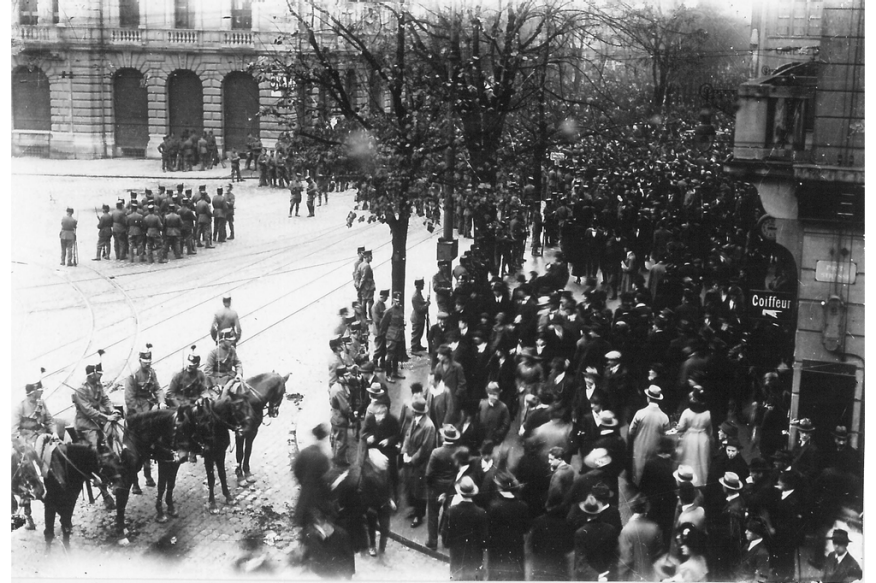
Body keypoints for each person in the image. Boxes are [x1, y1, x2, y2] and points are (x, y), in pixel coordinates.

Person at [70, 359, 119, 510]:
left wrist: (112, 410)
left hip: (100, 420)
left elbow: (105, 399)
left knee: (116, 436)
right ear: (91, 375)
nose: (100, 378)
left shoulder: (98, 385)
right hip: (86, 424)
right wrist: (106, 417)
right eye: (98, 375)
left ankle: (117, 470)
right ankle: (101, 481)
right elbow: (87, 410)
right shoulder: (81, 390)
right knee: (95, 450)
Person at [125, 344, 164, 493]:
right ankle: (134, 481)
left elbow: (158, 388)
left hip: (150, 405)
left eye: (149, 361)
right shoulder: (133, 376)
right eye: (145, 361)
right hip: (137, 412)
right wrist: (146, 414)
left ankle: (150, 471)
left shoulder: (152, 373)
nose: (147, 363)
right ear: (140, 360)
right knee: (136, 444)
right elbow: (130, 400)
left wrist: (161, 402)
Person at [485, 470, 530, 580]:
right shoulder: (523, 506)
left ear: (499, 487)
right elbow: (525, 529)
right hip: (516, 547)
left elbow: (489, 530)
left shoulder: (494, 506)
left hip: (497, 548)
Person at [443, 476, 489, 581]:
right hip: (475, 557)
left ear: (460, 492)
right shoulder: (481, 513)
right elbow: (485, 540)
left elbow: (445, 537)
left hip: (457, 556)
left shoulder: (451, 511)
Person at [401, 395, 436, 528]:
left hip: (421, 464)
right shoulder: (415, 420)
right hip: (410, 459)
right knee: (411, 486)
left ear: (417, 412)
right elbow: (408, 435)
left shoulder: (428, 426)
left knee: (420, 490)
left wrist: (412, 459)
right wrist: (404, 451)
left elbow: (425, 449)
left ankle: (419, 515)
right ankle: (415, 510)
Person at [425, 424, 460, 549]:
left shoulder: (436, 452)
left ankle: (432, 542)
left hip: (436, 487)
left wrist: (430, 486)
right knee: (447, 513)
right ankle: (446, 540)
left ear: (443, 438)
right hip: (451, 487)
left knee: (433, 514)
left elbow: (429, 474)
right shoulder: (458, 452)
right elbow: (458, 471)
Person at [628, 385, 670, 486]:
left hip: (639, 447)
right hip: (655, 448)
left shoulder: (640, 413)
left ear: (648, 398)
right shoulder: (664, 417)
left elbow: (631, 431)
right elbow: (666, 436)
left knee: (638, 468)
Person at [293, 424, 332, 529]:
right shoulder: (323, 457)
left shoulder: (305, 452)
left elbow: (296, 469)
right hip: (317, 492)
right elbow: (326, 477)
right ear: (324, 438)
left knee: (303, 512)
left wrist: (303, 481)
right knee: (317, 515)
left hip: (305, 488)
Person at [617, 495, 662, 582]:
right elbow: (658, 554)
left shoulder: (626, 530)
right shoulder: (654, 527)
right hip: (652, 576)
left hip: (634, 578)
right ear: (646, 508)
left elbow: (625, 559)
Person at [674, 386, 712, 487]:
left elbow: (680, 427)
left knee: (688, 459)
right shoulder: (708, 413)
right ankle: (701, 481)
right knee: (702, 460)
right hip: (703, 438)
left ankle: (685, 479)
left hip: (689, 438)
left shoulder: (687, 412)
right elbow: (710, 429)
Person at [328, 366, 354, 467]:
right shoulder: (339, 390)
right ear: (340, 377)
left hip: (334, 415)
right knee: (341, 441)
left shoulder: (336, 385)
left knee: (335, 437)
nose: (349, 377)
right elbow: (345, 407)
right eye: (346, 375)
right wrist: (352, 416)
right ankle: (339, 461)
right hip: (340, 418)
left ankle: (336, 454)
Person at [204, 328, 243, 394]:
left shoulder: (232, 350)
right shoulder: (213, 353)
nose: (232, 342)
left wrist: (239, 374)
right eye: (229, 340)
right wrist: (214, 385)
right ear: (223, 340)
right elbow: (207, 372)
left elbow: (238, 363)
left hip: (231, 377)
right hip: (219, 381)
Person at [735, 518, 771, 583]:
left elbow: (761, 578)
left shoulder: (762, 552)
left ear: (757, 533)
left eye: (749, 530)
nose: (745, 532)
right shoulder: (747, 545)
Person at [380, 292, 406, 381]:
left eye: (399, 301)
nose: (398, 303)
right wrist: (384, 334)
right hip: (391, 336)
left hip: (399, 335)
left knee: (396, 355)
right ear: (393, 300)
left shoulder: (400, 309)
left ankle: (395, 372)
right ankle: (388, 375)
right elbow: (383, 323)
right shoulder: (389, 311)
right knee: (390, 355)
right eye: (396, 301)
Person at [410, 277, 430, 353]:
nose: (423, 286)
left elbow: (421, 303)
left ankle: (418, 345)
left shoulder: (418, 293)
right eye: (422, 284)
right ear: (418, 286)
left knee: (420, 332)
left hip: (420, 317)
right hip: (417, 318)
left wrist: (426, 301)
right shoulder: (415, 296)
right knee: (416, 333)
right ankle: (414, 348)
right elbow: (419, 309)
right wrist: (427, 305)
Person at [371, 289, 389, 370]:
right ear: (383, 296)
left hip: (383, 330)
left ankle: (382, 363)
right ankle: (374, 364)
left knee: (384, 348)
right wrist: (385, 320)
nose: (387, 299)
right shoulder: (375, 306)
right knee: (378, 348)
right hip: (378, 331)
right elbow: (376, 319)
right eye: (386, 297)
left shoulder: (382, 305)